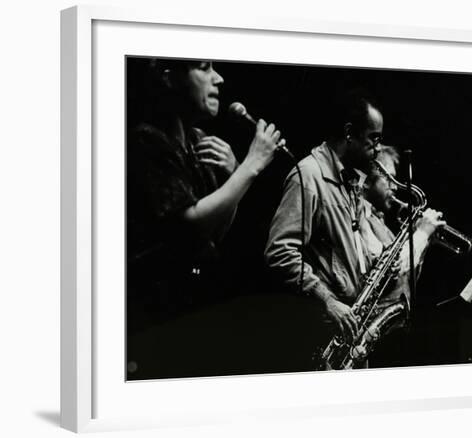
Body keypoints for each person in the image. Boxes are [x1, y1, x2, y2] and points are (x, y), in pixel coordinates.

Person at [264, 91, 445, 369]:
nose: (377, 148)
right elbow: (280, 252)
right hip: (323, 329)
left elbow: (346, 254)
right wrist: (327, 300)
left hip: (351, 326)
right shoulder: (309, 175)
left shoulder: (349, 180)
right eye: (374, 138)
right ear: (349, 132)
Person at [126, 58, 282, 377]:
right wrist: (252, 165)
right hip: (161, 312)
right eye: (204, 67)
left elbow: (212, 233)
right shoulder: (146, 140)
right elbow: (190, 226)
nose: (219, 79)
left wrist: (234, 173)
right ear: (168, 78)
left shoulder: (197, 140)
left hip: (197, 301)